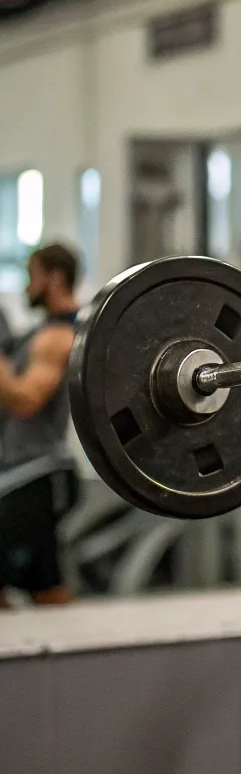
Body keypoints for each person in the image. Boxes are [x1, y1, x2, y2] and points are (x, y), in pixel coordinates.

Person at [0, 243, 80, 607]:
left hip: (39, 476)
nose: (26, 288)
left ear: (55, 278)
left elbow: (27, 400)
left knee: (45, 590)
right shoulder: (38, 333)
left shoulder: (59, 337)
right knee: (46, 588)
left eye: (32, 277)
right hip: (18, 474)